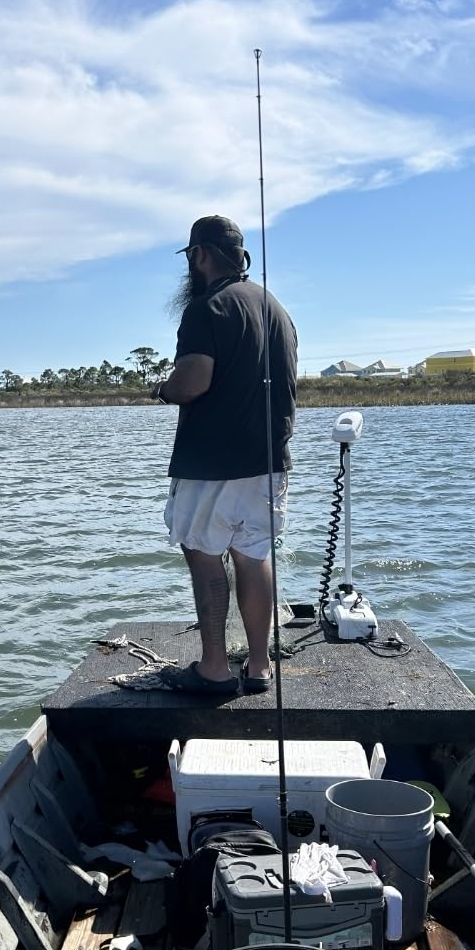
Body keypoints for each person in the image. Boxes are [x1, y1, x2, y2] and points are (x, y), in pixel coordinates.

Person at [151, 215, 297, 696]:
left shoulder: (206, 308)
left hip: (211, 464)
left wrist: (162, 390)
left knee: (206, 558)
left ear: (200, 255)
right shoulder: (276, 308)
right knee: (255, 555)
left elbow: (194, 382)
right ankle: (259, 668)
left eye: (191, 258)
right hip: (269, 462)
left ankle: (213, 668)